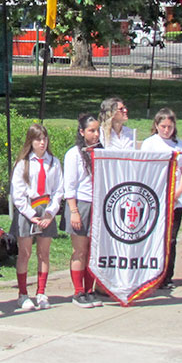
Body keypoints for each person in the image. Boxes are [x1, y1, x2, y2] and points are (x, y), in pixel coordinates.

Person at [9, 123, 63, 311]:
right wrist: (31, 215)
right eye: (38, 139)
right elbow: (18, 193)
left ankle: (41, 292)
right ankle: (23, 294)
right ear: (30, 141)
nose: (42, 142)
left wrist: (50, 213)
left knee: (44, 253)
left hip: (46, 210)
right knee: (25, 253)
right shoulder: (23, 163)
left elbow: (58, 190)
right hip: (28, 211)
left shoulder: (53, 162)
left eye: (44, 139)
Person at [140, 108, 182, 290]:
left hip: (175, 199)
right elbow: (144, 171)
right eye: (163, 126)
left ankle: (167, 275)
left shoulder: (179, 145)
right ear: (156, 125)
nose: (166, 130)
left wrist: (178, 192)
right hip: (156, 198)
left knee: (171, 239)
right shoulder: (150, 144)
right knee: (155, 237)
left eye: (170, 126)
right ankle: (152, 274)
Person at [64, 113, 102, 308]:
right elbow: (69, 186)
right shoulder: (74, 154)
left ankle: (90, 289)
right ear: (82, 132)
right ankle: (78, 291)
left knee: (93, 251)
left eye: (97, 130)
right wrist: (74, 211)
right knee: (80, 250)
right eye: (91, 131)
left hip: (99, 204)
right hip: (81, 204)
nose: (95, 135)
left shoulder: (102, 151)